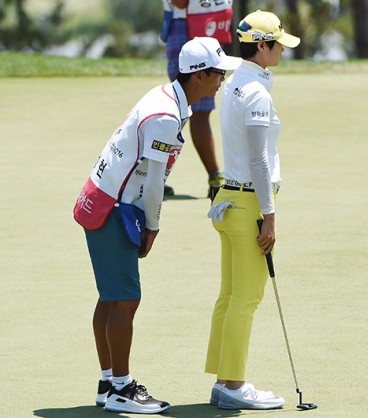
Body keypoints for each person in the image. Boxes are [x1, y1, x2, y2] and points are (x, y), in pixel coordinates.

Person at [73, 37, 241, 414]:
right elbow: (153, 182)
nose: (222, 80)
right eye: (219, 74)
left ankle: (107, 383)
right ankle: (120, 388)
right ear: (200, 76)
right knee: (125, 298)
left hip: (103, 197)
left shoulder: (166, 96)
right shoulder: (165, 116)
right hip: (114, 207)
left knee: (112, 296)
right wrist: (153, 225)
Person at [204, 10, 300, 410]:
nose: (281, 50)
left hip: (229, 198)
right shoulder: (257, 92)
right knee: (246, 299)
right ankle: (234, 385)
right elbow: (260, 162)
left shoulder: (234, 84)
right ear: (261, 46)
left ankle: (225, 381)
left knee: (230, 296)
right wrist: (270, 214)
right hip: (247, 206)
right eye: (277, 43)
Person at [161, 0, 234, 199]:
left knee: (200, 109)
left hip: (214, 25)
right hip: (186, 27)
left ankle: (213, 177)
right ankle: (149, 176)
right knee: (184, 106)